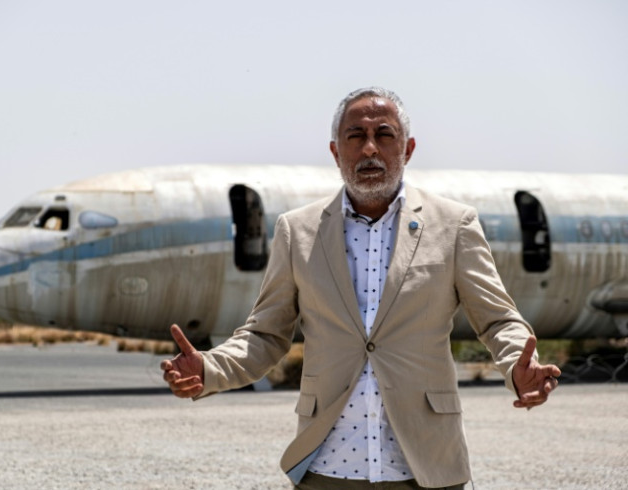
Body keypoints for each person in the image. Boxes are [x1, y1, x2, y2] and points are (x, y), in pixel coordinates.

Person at [161, 87, 561, 489]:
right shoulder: (297, 231)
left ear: (408, 149)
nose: (370, 148)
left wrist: (517, 366)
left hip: (425, 465)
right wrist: (210, 368)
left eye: (384, 135)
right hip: (326, 467)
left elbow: (497, 320)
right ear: (336, 152)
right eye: (356, 136)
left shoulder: (453, 225)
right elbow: (266, 334)